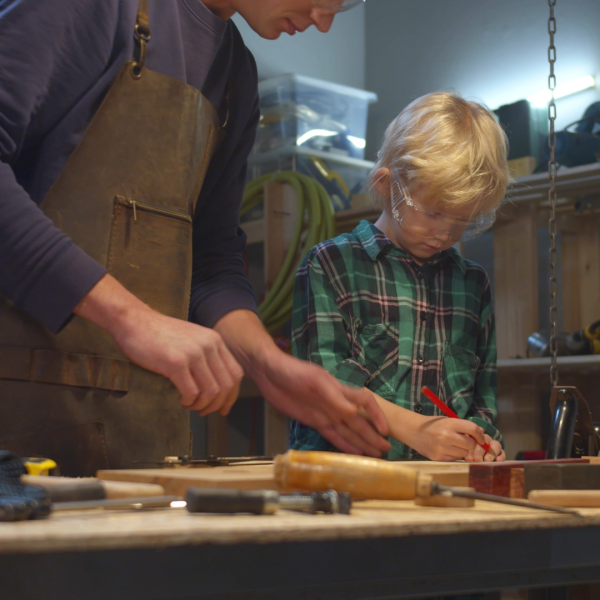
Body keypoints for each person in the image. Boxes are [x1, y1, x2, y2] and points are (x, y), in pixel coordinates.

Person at [0, 0, 390, 476]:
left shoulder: (234, 76)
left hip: (136, 447)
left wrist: (266, 363)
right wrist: (130, 319)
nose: (324, 22)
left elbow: (210, 257)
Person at [290, 91, 509, 462]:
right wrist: (418, 432)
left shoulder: (472, 285)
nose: (446, 234)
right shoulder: (331, 264)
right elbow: (322, 385)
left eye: (463, 220)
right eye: (434, 213)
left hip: (440, 490)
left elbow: (482, 402)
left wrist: (479, 444)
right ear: (386, 185)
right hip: (340, 483)